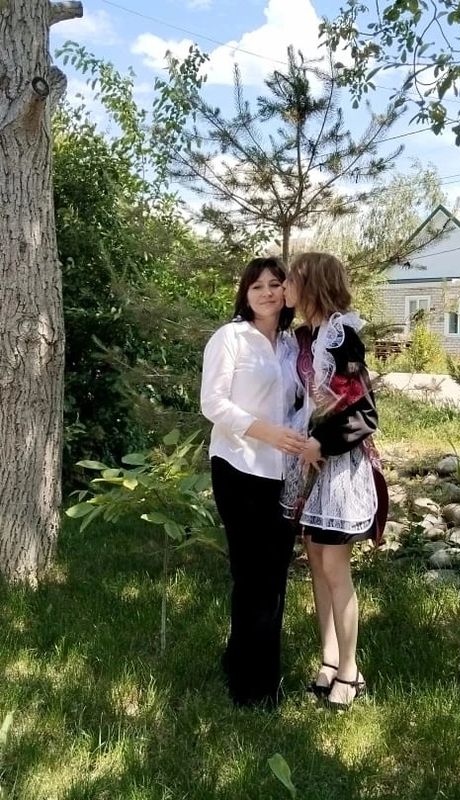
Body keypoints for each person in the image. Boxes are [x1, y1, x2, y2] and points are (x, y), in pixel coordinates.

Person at [281, 252, 387, 708]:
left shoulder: (343, 337)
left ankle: (350, 671)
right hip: (309, 465)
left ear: (311, 286)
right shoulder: (307, 335)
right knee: (315, 563)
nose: (284, 287)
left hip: (336, 465)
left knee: (334, 568)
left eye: (291, 280)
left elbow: (365, 413)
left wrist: (320, 444)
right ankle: (328, 659)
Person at [200, 256, 305, 708]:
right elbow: (212, 403)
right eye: (257, 285)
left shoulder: (292, 345)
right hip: (239, 467)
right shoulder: (230, 337)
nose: (266, 292)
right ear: (245, 293)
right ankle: (253, 689)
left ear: (287, 292)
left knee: (275, 576)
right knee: (251, 576)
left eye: (275, 284)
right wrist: (267, 433)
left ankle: (245, 664)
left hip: (284, 474)